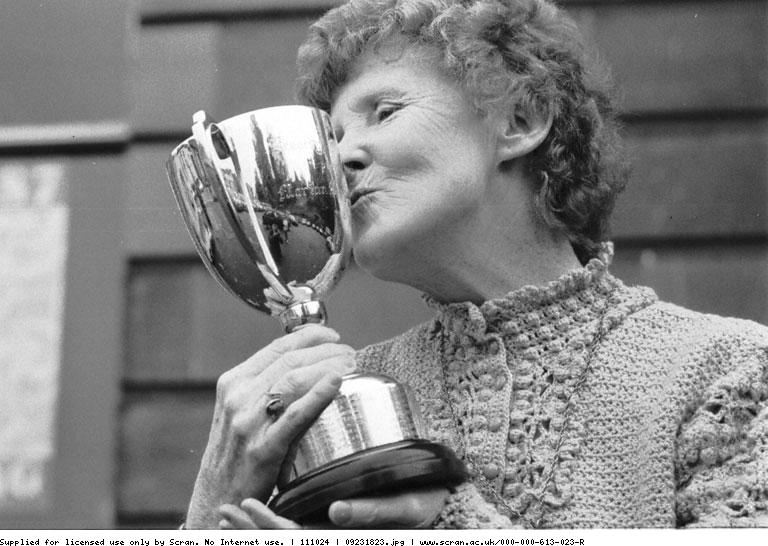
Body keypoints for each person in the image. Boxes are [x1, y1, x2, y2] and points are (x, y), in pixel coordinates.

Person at [183, 0, 768, 529]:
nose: (340, 157)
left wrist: (449, 521)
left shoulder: (728, 371)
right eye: (332, 136)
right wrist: (211, 507)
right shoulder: (324, 402)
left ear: (518, 123)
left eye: (384, 111)